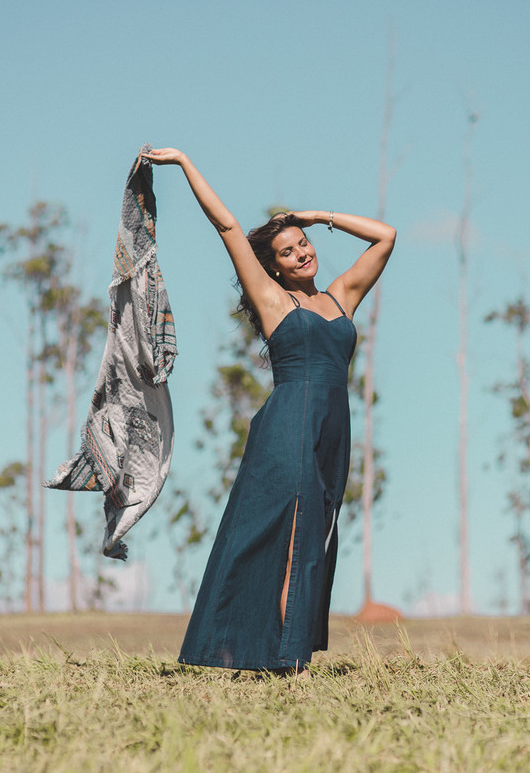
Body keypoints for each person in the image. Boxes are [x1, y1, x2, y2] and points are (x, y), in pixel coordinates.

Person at [142, 148, 395, 672]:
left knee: (313, 538)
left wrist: (313, 216)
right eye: (287, 252)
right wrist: (186, 163)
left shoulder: (341, 296)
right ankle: (289, 662)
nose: (301, 253)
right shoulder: (275, 301)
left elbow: (385, 235)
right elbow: (229, 226)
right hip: (289, 423)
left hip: (333, 429)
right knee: (294, 538)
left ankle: (280, 654)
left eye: (302, 245)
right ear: (272, 268)